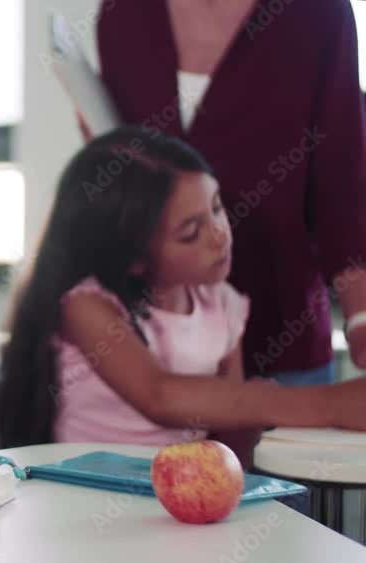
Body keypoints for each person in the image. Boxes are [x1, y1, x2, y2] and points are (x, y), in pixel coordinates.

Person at [0, 127, 366, 467]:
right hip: (86, 497)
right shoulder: (86, 306)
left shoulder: (224, 305)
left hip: (175, 500)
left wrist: (250, 414)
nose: (220, 235)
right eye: (190, 233)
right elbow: (160, 395)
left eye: (217, 208)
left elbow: (229, 439)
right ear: (135, 257)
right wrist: (329, 404)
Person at [94, 0, 366, 384]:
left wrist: (361, 318)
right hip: (148, 351)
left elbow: (343, 185)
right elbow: (123, 183)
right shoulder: (123, 12)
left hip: (285, 339)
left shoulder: (318, 12)